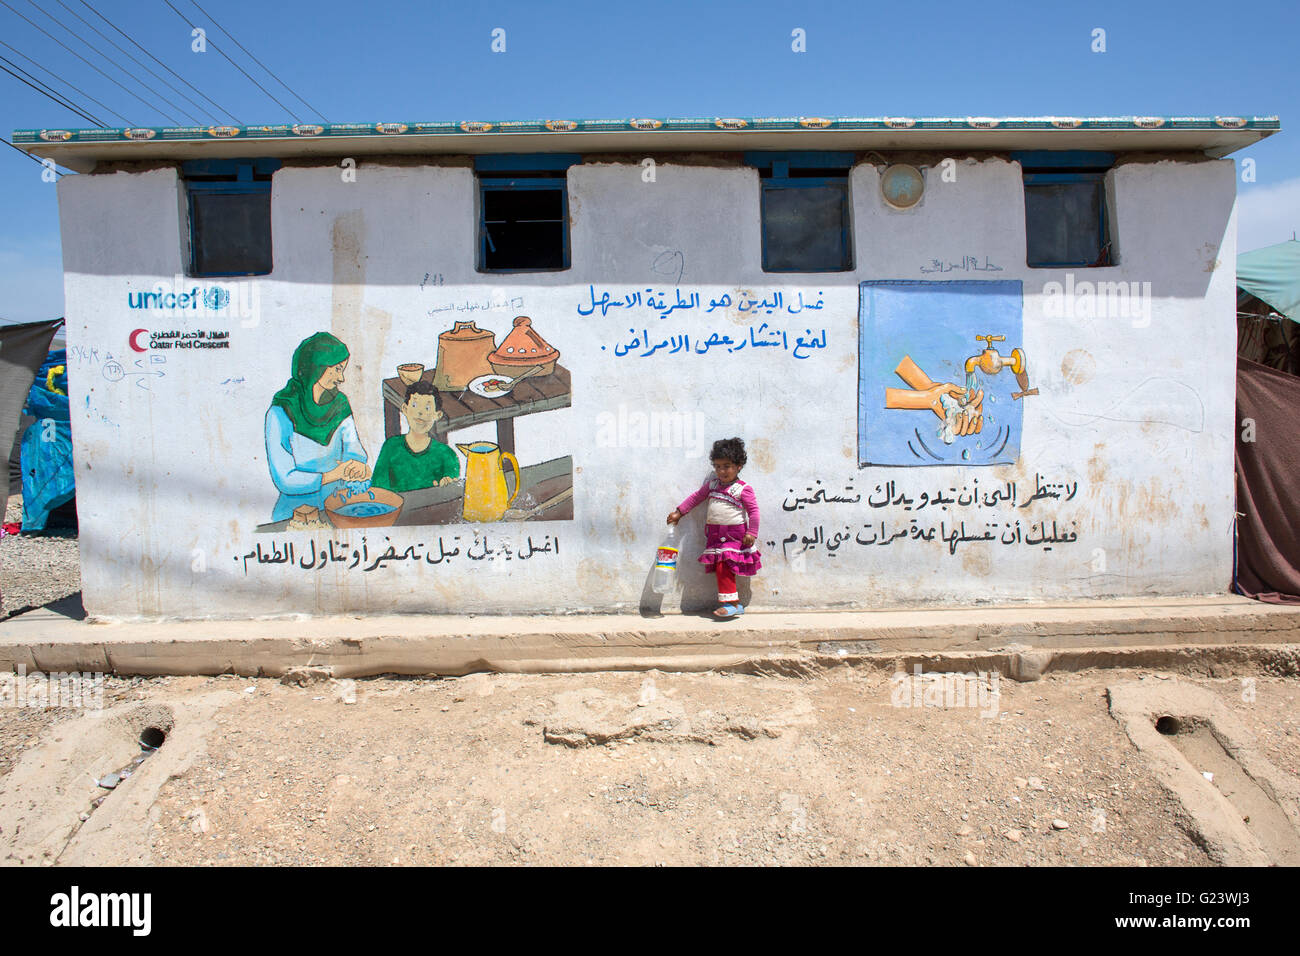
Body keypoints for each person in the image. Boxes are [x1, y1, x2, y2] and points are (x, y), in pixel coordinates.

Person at [265, 331, 369, 521]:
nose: (341, 378)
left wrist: (357, 466)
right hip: (295, 513)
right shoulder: (281, 412)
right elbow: (285, 479)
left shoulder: (340, 404)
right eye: (336, 369)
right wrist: (333, 474)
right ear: (317, 368)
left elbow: (354, 450)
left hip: (341, 506)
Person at [667, 437, 761, 618]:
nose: (721, 471)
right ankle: (735, 604)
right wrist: (679, 512)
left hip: (734, 536)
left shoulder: (743, 489)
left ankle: (730, 604)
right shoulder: (713, 485)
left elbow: (754, 512)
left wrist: (752, 532)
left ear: (739, 465)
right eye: (717, 466)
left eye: (726, 466)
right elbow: (696, 498)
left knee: (723, 566)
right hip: (715, 536)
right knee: (721, 566)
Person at [370, 380, 460, 493]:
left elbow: (452, 491)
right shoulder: (391, 447)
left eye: (427, 408)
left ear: (437, 415)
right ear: (405, 409)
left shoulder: (447, 455)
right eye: (414, 405)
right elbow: (377, 489)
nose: (420, 413)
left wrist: (447, 484)